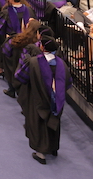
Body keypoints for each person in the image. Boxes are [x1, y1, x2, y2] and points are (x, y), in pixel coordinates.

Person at [13, 36, 69, 164]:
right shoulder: (62, 64)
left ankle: (41, 153)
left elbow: (20, 77)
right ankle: (53, 147)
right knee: (53, 121)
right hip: (56, 101)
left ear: (42, 47)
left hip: (37, 98)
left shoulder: (33, 62)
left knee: (38, 123)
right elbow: (68, 83)